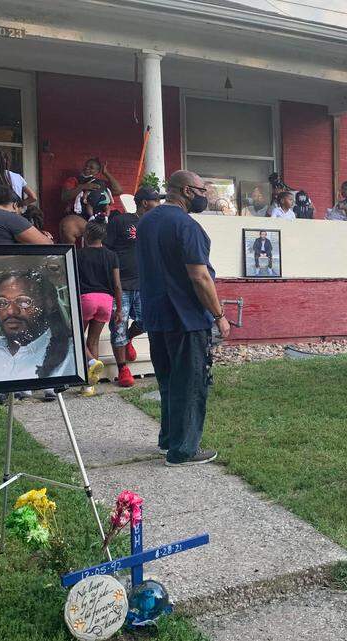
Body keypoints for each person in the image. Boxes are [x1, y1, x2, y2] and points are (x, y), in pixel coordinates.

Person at [137, 170, 230, 467]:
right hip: (186, 318)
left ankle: (168, 440)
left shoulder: (147, 222)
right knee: (190, 382)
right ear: (188, 191)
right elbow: (200, 277)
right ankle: (184, 450)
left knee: (167, 380)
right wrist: (219, 315)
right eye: (203, 190)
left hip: (156, 315)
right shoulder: (187, 226)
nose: (205, 196)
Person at [0, 270, 77, 384]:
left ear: (47, 303)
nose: (10, 311)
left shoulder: (71, 355)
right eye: (2, 302)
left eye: (23, 301)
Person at [105, 186, 157, 388]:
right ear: (145, 203)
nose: (158, 204)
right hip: (121, 285)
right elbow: (107, 250)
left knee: (146, 320)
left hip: (144, 284)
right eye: (155, 201)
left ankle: (128, 339)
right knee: (118, 326)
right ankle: (122, 369)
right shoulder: (121, 221)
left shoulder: (154, 224)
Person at [76, 222, 121, 396]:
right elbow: (117, 284)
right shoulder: (112, 255)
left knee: (76, 337)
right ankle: (89, 386)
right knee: (93, 341)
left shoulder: (78, 255)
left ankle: (91, 362)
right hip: (106, 301)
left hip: (86, 299)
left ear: (86, 235)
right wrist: (119, 309)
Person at [60, 157, 122, 244]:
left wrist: (106, 173)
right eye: (86, 166)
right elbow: (64, 197)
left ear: (97, 172)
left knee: (121, 222)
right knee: (68, 225)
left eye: (91, 167)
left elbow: (118, 190)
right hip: (83, 216)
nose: (87, 168)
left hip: (103, 215)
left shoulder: (99, 183)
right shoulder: (74, 180)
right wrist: (82, 186)